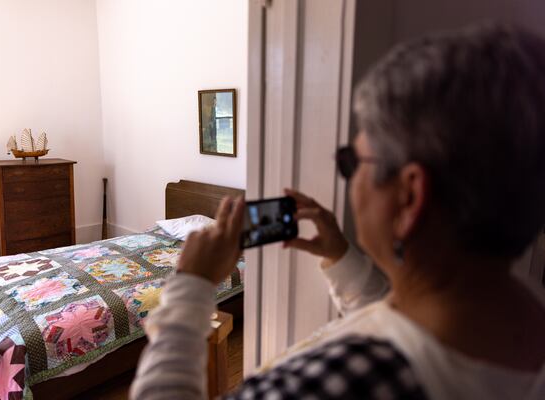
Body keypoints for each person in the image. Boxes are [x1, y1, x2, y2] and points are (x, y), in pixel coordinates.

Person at [130, 22, 545, 400]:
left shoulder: (343, 379)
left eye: (351, 161)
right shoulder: (523, 306)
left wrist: (192, 285)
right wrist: (341, 256)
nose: (347, 181)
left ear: (409, 196)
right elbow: (401, 323)